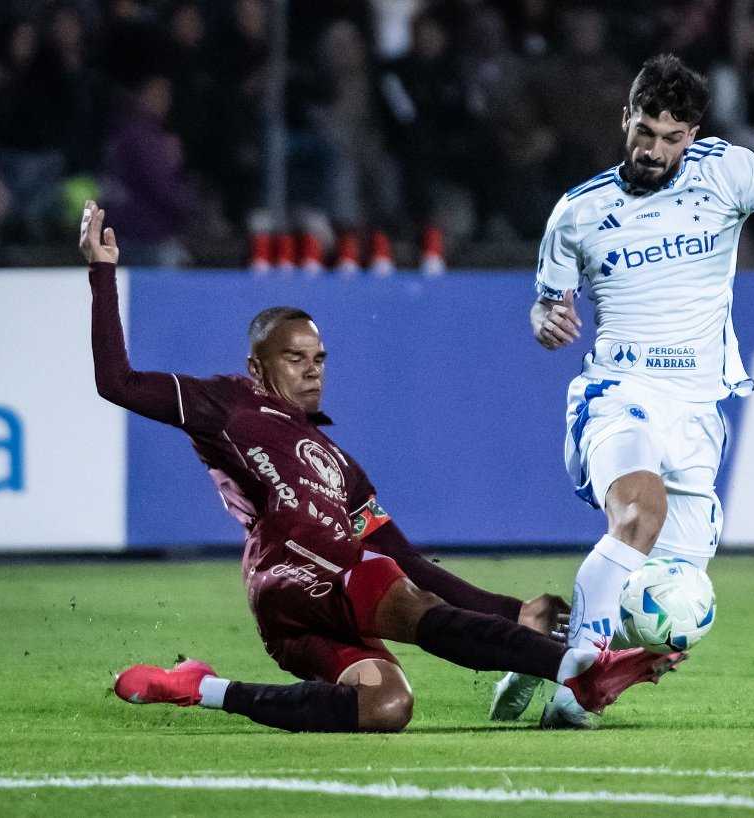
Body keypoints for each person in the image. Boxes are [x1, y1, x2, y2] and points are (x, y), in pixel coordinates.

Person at [80, 200, 681, 733]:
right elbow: (118, 381)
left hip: (307, 606)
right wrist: (102, 274)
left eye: (319, 358)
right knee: (399, 595)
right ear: (258, 366)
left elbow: (412, 561)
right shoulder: (230, 403)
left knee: (386, 706)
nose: (313, 369)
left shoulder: (340, 467)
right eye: (295, 358)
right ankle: (576, 670)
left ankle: (199, 688)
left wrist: (512, 610)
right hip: (288, 563)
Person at [491, 54, 754, 729]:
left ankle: (537, 642)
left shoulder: (726, 172)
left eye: (671, 138)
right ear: (626, 119)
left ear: (694, 133)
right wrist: (546, 320)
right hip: (618, 393)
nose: (655, 150)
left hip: (698, 410)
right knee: (637, 517)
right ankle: (568, 696)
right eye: (645, 132)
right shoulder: (579, 212)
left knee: (669, 604)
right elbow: (544, 306)